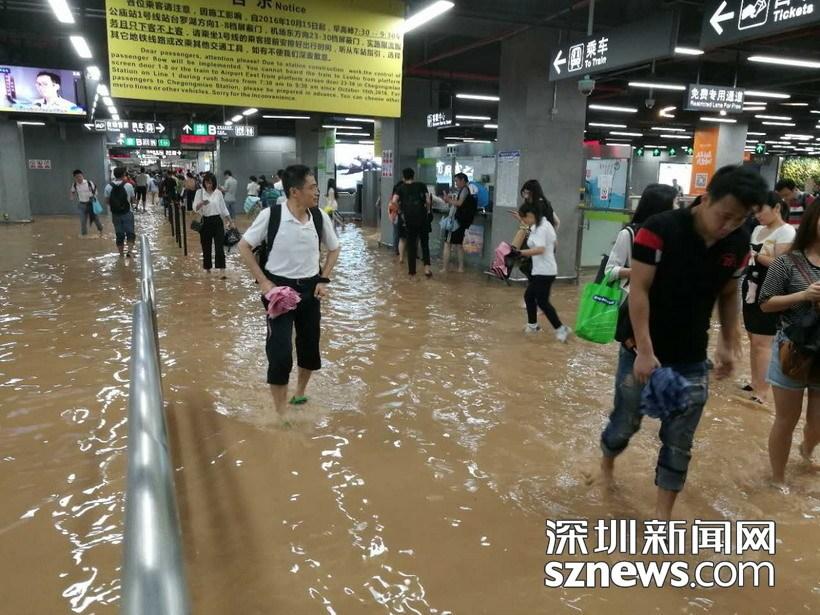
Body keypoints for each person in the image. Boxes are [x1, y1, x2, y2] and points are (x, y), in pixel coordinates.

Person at [599, 165, 769, 520]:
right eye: (724, 216)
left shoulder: (737, 244)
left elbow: (728, 293)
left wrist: (727, 339)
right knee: (625, 424)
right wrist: (645, 350)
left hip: (692, 356)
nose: (728, 226)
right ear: (705, 199)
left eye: (738, 221)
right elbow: (639, 290)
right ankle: (607, 467)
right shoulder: (658, 230)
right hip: (639, 349)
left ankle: (662, 518)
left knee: (679, 441)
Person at [237, 165, 341, 416]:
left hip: (310, 290)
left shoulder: (318, 216)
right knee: (280, 351)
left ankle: (300, 392)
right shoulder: (271, 215)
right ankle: (280, 412)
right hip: (278, 292)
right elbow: (244, 246)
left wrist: (323, 279)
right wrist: (263, 282)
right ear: (295, 191)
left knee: (309, 347)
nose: (317, 192)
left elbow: (334, 248)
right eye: (312, 187)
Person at [759, 199, 820, 486]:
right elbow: (765, 303)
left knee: (818, 422)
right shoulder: (787, 262)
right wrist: (803, 296)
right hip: (791, 350)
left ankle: (806, 451)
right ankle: (777, 479)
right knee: (786, 419)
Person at [742, 192, 796, 405]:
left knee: (763, 341)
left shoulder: (786, 232)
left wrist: (756, 256)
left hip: (772, 287)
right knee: (752, 338)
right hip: (751, 286)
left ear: (776, 208)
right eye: (754, 211)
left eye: (761, 211)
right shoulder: (757, 229)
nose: (757, 216)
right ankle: (756, 382)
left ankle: (763, 391)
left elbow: (780, 264)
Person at [605, 184, 678, 299]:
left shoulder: (673, 234)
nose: (678, 207)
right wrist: (640, 271)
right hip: (635, 298)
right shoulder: (629, 234)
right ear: (662, 207)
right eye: (675, 203)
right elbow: (609, 271)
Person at [512, 199, 571, 341]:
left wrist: (520, 253)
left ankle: (561, 329)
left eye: (524, 218)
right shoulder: (542, 224)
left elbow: (540, 249)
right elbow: (554, 242)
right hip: (542, 270)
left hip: (545, 271)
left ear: (531, 215)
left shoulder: (541, 227)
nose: (523, 221)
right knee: (529, 297)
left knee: (542, 302)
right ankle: (533, 326)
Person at [193, 172, 234, 276]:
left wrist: (230, 221)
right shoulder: (199, 192)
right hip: (205, 221)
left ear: (214, 183)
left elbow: (223, 208)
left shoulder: (218, 193)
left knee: (219, 246)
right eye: (207, 183)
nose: (209, 185)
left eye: (211, 183)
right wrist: (202, 203)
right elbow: (194, 208)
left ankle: (222, 270)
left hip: (217, 221)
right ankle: (207, 269)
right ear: (204, 182)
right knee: (206, 246)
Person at [394, 168, 433, 278]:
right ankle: (427, 270)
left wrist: (400, 211)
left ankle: (412, 273)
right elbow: (428, 201)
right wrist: (428, 210)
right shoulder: (421, 185)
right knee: (425, 244)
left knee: (411, 246)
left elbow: (393, 201)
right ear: (413, 176)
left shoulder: (400, 188)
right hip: (423, 219)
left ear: (403, 177)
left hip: (409, 220)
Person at [441, 173, 477, 273]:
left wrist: (448, 200)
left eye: (456, 181)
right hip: (461, 222)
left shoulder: (464, 190)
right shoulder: (467, 190)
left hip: (456, 223)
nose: (456, 183)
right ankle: (461, 268)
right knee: (458, 245)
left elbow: (459, 203)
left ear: (462, 180)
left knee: (447, 244)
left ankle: (445, 268)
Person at [104, 167, 136, 257]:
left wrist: (115, 206)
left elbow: (106, 201)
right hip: (127, 212)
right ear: (124, 175)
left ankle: (121, 254)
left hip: (115, 214)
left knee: (119, 234)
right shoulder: (128, 185)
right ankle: (129, 252)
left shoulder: (108, 186)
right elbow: (133, 200)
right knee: (130, 232)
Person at [70, 169, 103, 238]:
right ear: (74, 178)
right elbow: (72, 191)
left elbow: (96, 191)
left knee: (96, 219)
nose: (79, 178)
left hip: (91, 204)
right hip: (82, 205)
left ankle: (101, 231)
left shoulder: (89, 183)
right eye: (77, 177)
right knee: (83, 221)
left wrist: (93, 196)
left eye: (80, 176)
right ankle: (84, 236)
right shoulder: (75, 184)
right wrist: (72, 196)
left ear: (82, 175)